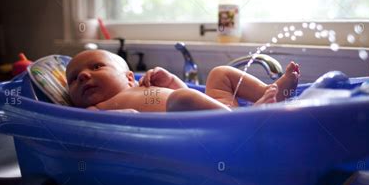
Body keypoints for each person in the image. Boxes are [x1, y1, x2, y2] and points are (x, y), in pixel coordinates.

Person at [66, 50, 300, 112]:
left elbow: (189, 94)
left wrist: (171, 80)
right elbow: (184, 100)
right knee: (181, 99)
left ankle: (269, 92)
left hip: (214, 111)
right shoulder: (97, 109)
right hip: (208, 124)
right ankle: (246, 118)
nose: (84, 76)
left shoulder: (142, 86)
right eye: (74, 79)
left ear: (129, 77)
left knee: (220, 73)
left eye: (96, 67)